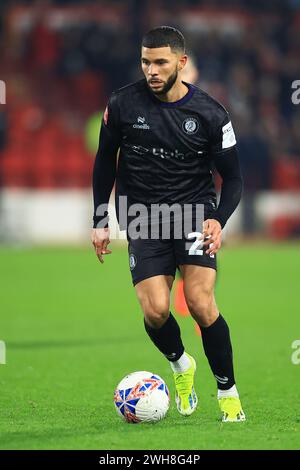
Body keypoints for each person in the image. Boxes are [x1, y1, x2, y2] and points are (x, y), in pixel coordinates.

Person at [91, 26, 245, 422]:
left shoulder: (211, 113)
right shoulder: (122, 104)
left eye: (160, 62)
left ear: (181, 62)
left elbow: (234, 178)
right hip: (142, 216)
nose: (152, 70)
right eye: (146, 62)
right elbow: (105, 159)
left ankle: (228, 391)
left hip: (193, 213)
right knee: (156, 310)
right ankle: (180, 364)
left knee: (200, 303)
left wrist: (218, 219)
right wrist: (99, 218)